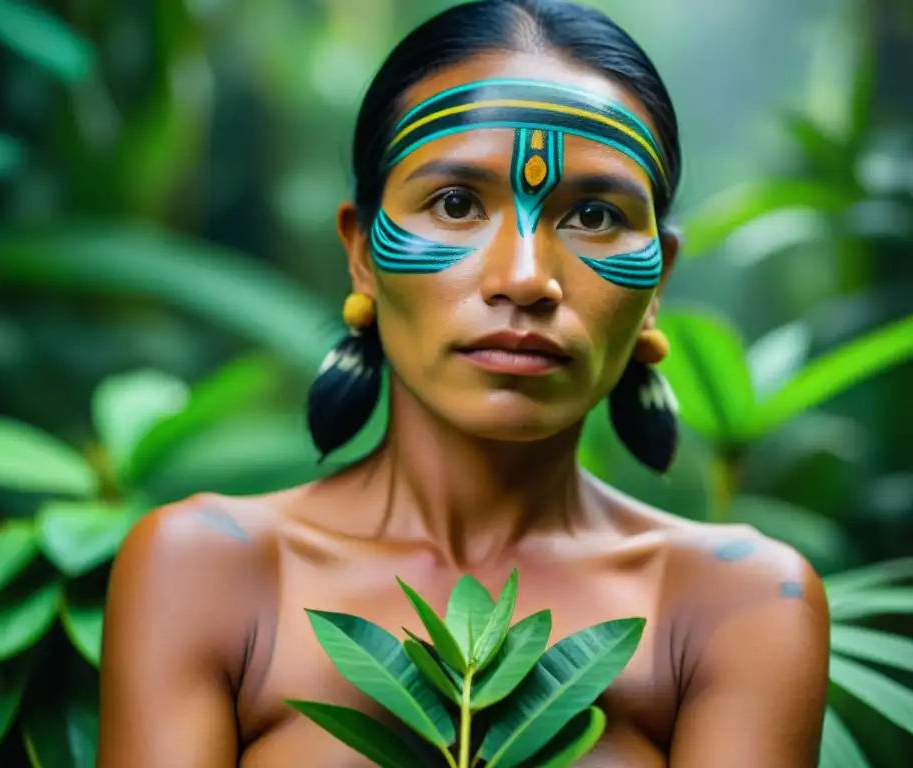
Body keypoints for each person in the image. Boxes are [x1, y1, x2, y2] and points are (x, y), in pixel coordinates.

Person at [98, 1, 830, 765]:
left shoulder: (736, 605)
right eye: (455, 204)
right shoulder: (211, 572)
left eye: (594, 214)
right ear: (361, 255)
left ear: (657, 286)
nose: (525, 278)